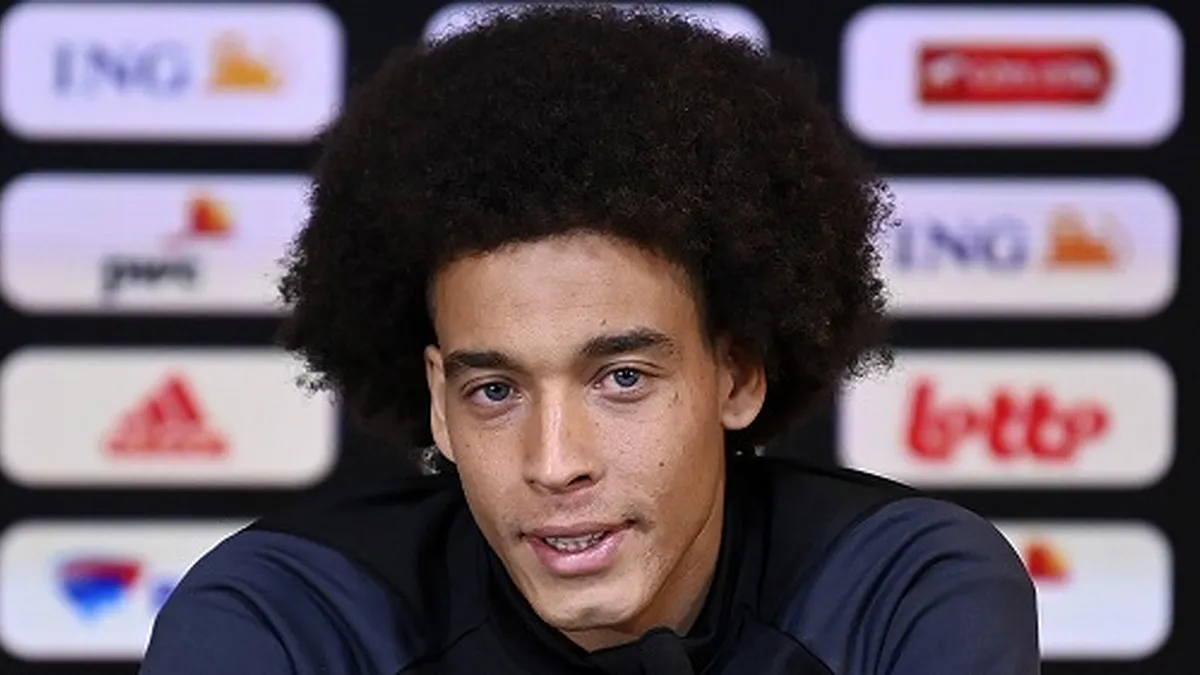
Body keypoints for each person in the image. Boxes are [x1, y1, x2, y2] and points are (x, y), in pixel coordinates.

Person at [139, 5, 1039, 674]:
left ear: (736, 373)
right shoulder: (287, 617)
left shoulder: (899, 589)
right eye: (495, 391)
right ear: (439, 404)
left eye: (622, 377)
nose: (555, 462)